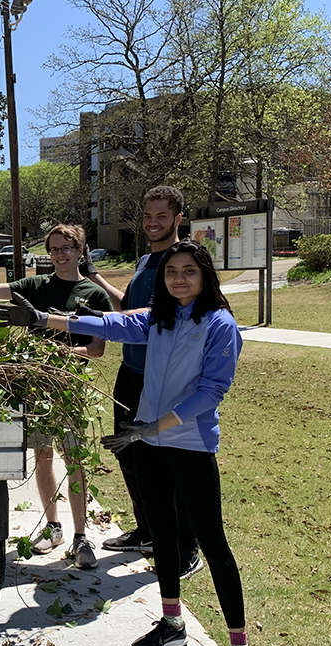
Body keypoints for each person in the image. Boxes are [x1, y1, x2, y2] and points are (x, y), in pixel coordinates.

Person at [0, 239, 256, 646]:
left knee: (211, 541)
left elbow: (211, 391)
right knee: (162, 535)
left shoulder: (219, 324)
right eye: (171, 271)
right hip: (149, 443)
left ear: (205, 275)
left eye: (188, 271)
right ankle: (172, 621)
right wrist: (42, 319)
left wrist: (155, 424)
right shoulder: (159, 317)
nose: (178, 278)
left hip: (189, 444)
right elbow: (109, 323)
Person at [0, 224, 111, 569]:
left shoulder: (93, 294)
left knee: (74, 458)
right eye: (54, 250)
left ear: (79, 250)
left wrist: (63, 356)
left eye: (66, 249)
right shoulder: (36, 286)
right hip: (36, 387)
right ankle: (53, 527)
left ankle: (81, 537)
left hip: (69, 384)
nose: (59, 255)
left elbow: (97, 348)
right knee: (43, 455)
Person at [86, 186, 202, 581]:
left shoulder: (180, 262)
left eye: (162, 216)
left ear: (178, 218)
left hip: (163, 377)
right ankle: (149, 530)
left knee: (168, 460)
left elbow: (156, 315)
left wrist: (100, 323)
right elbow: (128, 307)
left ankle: (187, 547)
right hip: (132, 372)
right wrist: (97, 280)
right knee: (129, 454)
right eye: (148, 216)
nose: (153, 222)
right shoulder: (146, 259)